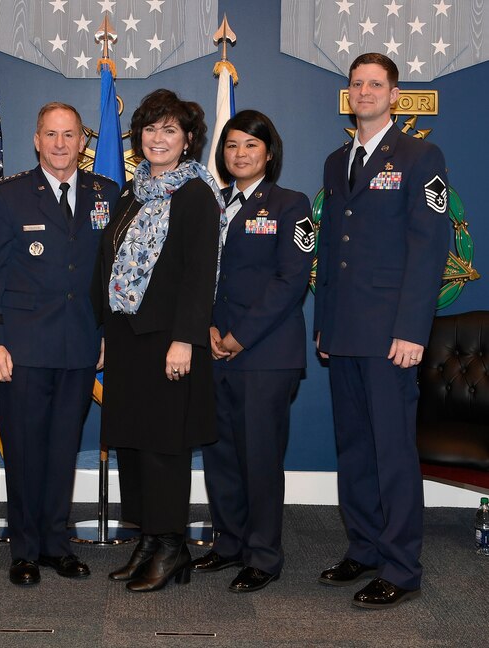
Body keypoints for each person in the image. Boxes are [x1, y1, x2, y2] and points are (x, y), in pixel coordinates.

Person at [314, 53, 451, 609]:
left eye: (376, 84)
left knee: (392, 451)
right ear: (348, 94)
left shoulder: (421, 155)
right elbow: (329, 248)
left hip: (391, 335)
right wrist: (323, 325)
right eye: (356, 84)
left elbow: (430, 246)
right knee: (354, 448)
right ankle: (365, 547)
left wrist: (413, 329)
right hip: (343, 331)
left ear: (394, 94)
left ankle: (400, 565)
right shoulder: (334, 161)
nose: (365, 91)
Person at [0, 102, 119, 586]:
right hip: (22, 349)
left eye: (70, 134)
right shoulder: (10, 196)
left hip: (80, 344)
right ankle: (25, 550)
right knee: (24, 450)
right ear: (37, 140)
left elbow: (111, 275)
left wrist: (106, 335)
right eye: (51, 134)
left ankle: (57, 545)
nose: (60, 144)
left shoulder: (107, 192)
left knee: (63, 449)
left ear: (84, 142)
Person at [94, 88, 224, 593]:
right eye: (150, 128)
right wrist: (105, 328)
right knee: (131, 442)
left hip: (169, 340)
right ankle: (148, 540)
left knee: (164, 447)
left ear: (189, 139)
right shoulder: (131, 191)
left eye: (170, 129)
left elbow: (199, 274)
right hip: (127, 337)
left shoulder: (195, 194)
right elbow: (108, 265)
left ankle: (171, 546)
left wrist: (185, 340)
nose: (158, 138)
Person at [191, 110, 313, 593]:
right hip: (212, 346)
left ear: (269, 152)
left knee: (259, 456)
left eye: (250, 146)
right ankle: (229, 543)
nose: (239, 154)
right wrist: (210, 329)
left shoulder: (290, 204)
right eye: (231, 145)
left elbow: (291, 280)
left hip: (264, 353)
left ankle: (262, 555)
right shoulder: (210, 204)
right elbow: (196, 275)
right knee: (219, 453)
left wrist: (239, 335)